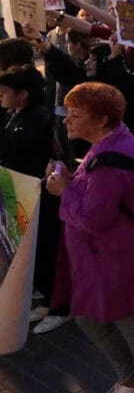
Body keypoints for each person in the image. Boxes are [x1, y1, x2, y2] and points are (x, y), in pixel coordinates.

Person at [45, 82, 134, 393]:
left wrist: (64, 191)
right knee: (90, 317)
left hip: (113, 256)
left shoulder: (110, 160)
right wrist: (70, 178)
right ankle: (130, 381)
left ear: (101, 120)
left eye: (75, 114)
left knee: (131, 320)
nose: (66, 120)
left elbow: (94, 218)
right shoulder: (110, 143)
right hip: (101, 257)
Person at [0, 66, 63, 333]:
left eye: (4, 92)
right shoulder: (15, 115)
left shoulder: (38, 120)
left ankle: (58, 305)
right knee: (33, 249)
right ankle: (45, 294)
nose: (0, 96)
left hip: (37, 194)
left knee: (47, 249)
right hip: (19, 192)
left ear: (22, 95)